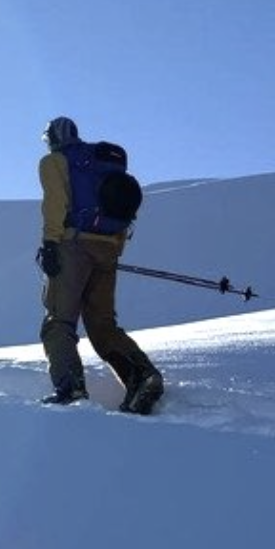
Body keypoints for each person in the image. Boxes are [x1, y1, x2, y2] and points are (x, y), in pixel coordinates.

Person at [37, 116, 164, 413]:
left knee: (59, 320)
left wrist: (51, 243)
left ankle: (71, 390)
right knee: (102, 324)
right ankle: (142, 376)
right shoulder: (98, 162)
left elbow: (55, 203)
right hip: (108, 248)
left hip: (73, 245)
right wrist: (112, 248)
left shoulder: (55, 161)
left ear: (53, 137)